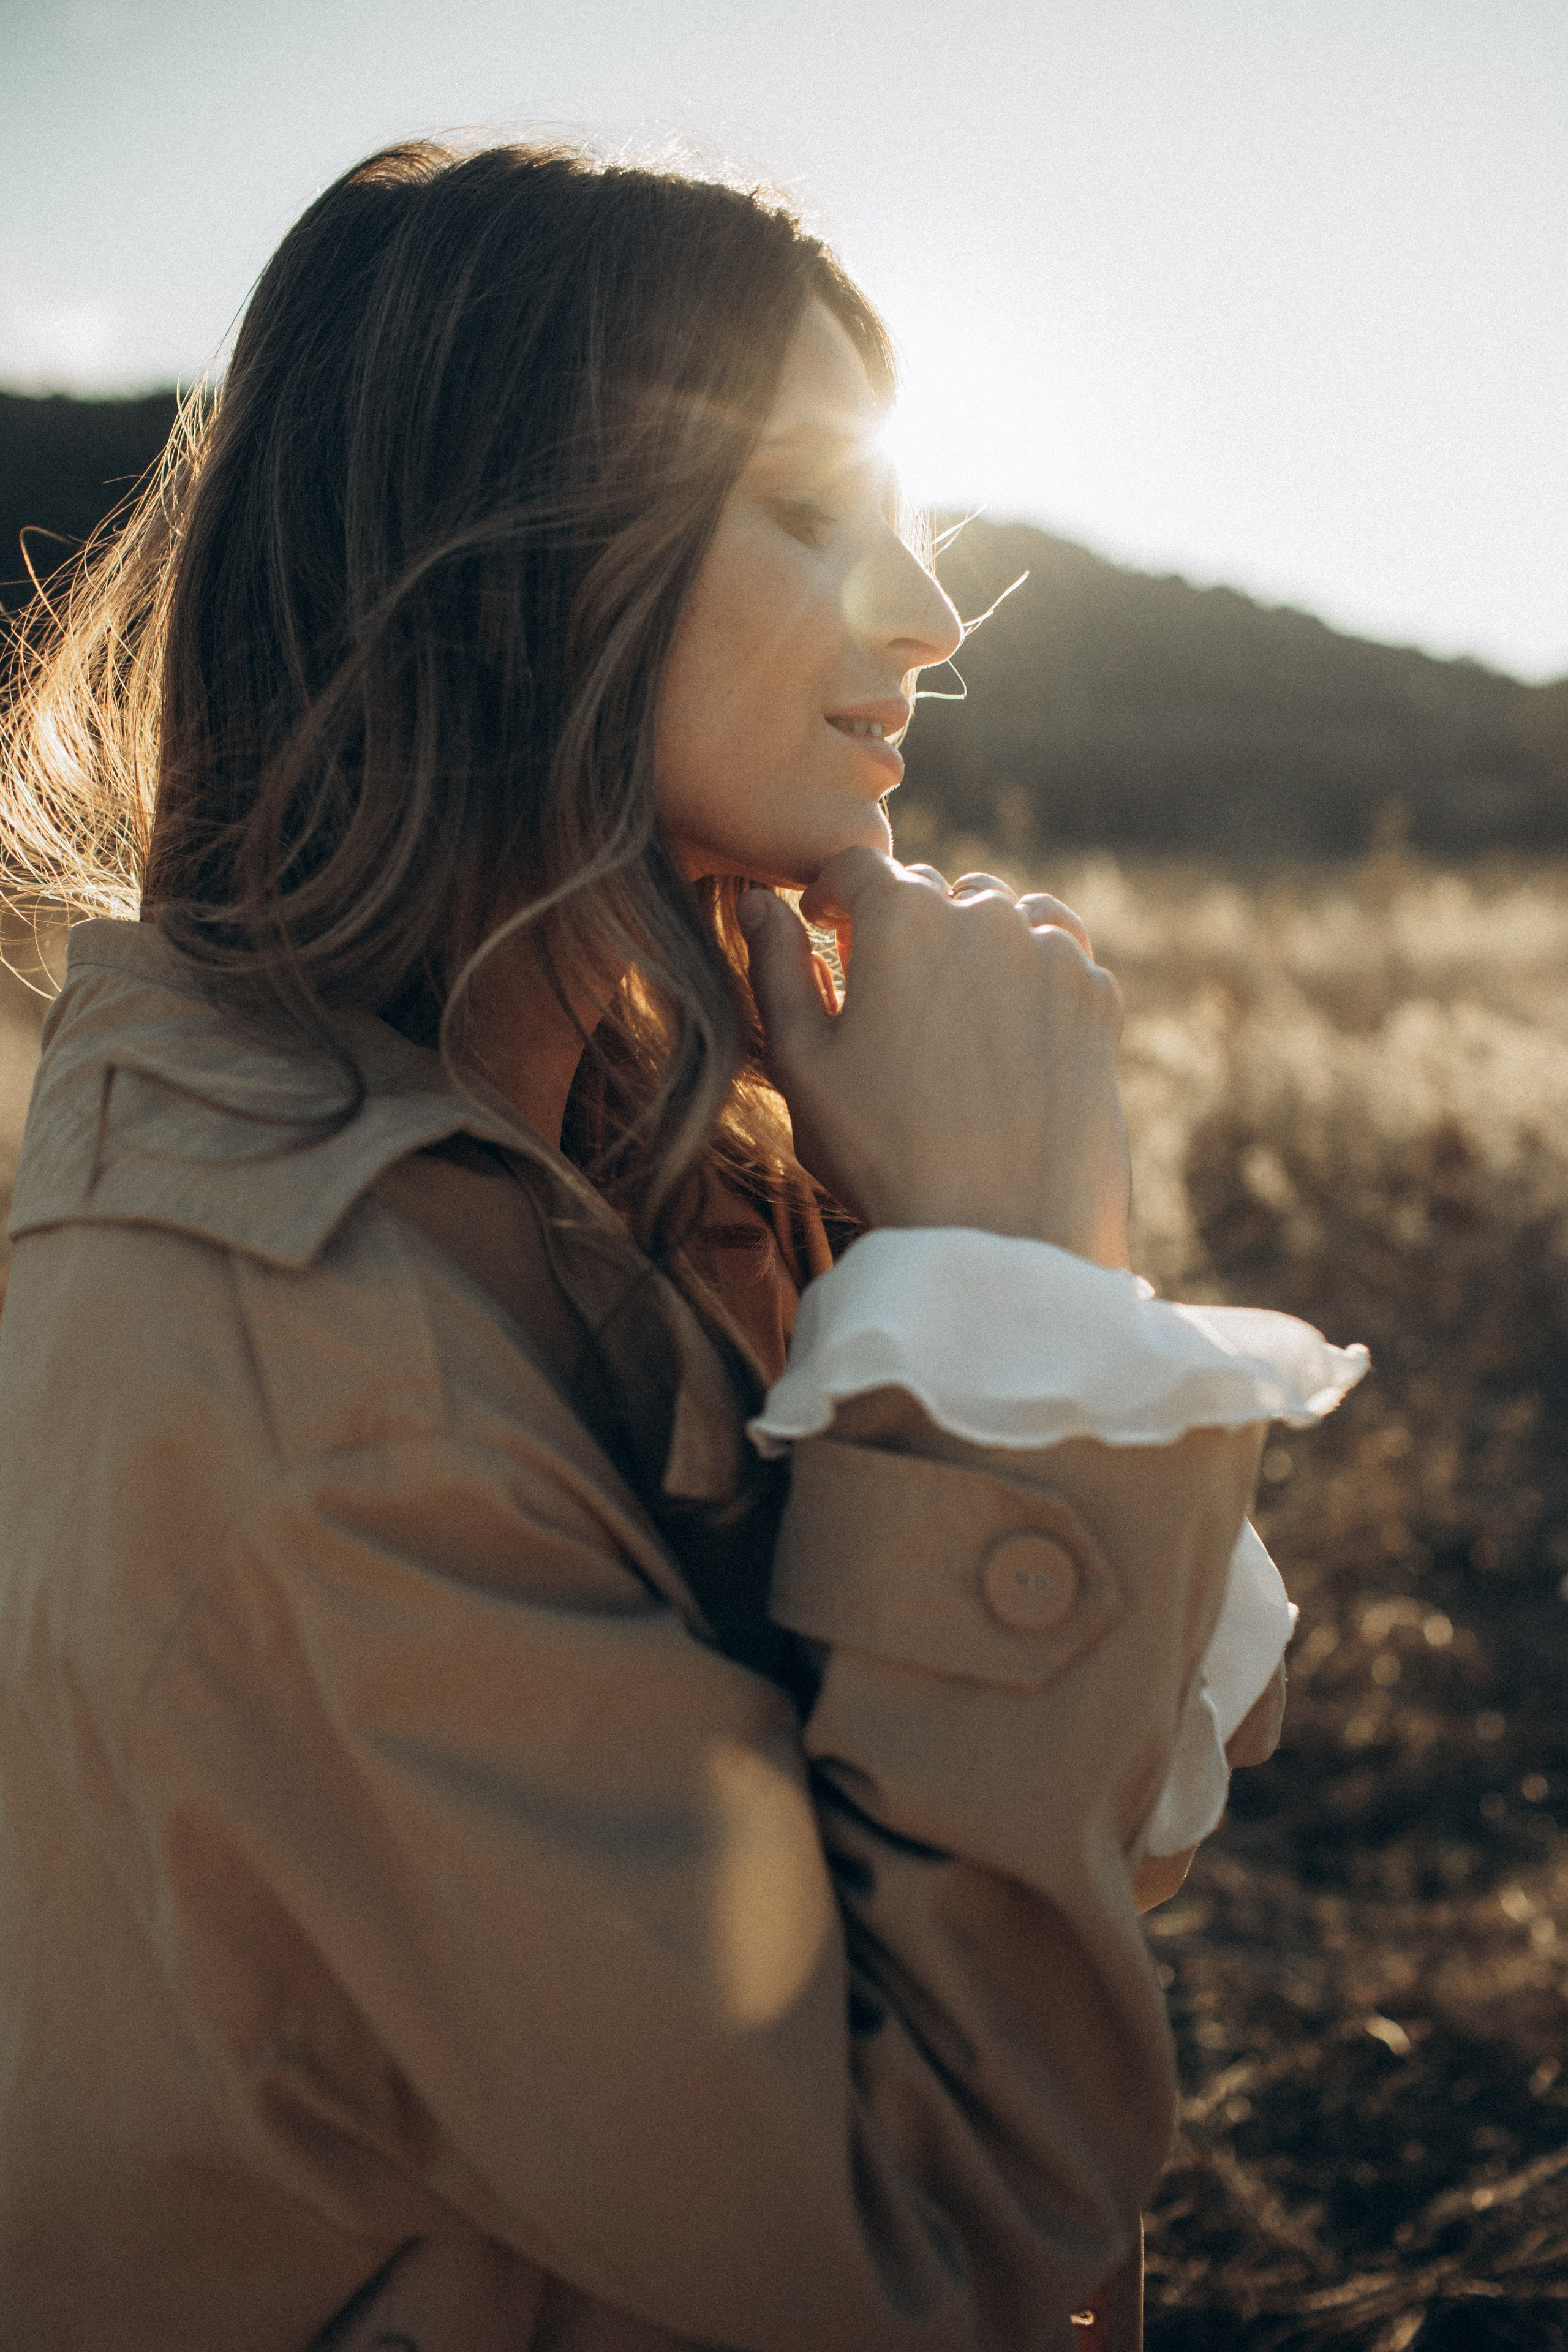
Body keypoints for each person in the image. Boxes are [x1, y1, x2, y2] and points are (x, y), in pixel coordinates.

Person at [0, 140, 1365, 2351]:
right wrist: (1016, 1295)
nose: (931, 612)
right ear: (513, 573)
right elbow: (921, 2227)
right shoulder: (312, 1368)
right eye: (814, 516)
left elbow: (1128, 1807)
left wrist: (1010, 1275)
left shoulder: (617, 1154)